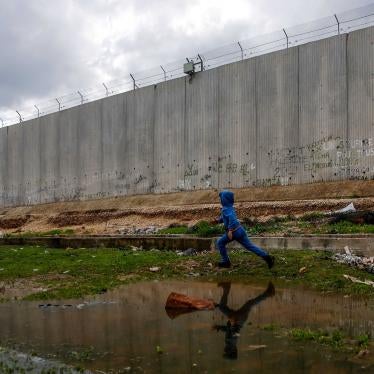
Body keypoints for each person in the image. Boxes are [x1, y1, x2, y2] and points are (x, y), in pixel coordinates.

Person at [213, 281, 275, 359]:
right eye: (226, 352)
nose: (224, 350)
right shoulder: (231, 343)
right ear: (231, 351)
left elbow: (228, 330)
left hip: (239, 320)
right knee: (223, 307)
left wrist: (219, 327)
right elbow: (235, 332)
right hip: (238, 319)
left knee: (248, 304)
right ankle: (268, 293)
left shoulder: (230, 343)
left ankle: (226, 288)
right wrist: (233, 322)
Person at [215, 190, 274, 268]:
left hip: (234, 232)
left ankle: (226, 262)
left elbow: (232, 219)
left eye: (221, 198)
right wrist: (218, 220)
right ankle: (267, 258)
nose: (220, 200)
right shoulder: (230, 207)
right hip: (240, 230)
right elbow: (227, 217)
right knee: (250, 246)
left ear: (224, 199)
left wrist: (230, 230)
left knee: (220, 243)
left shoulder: (225, 209)